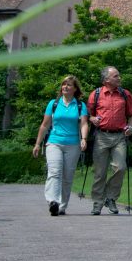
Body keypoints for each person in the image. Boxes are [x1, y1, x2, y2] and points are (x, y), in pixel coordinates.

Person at [33, 74, 89, 216]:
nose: (65, 87)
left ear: (75, 89)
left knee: (68, 176)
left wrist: (84, 138)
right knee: (54, 171)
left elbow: (83, 123)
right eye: (64, 84)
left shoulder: (80, 105)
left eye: (69, 85)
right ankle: (53, 202)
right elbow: (45, 125)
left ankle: (62, 206)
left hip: (73, 145)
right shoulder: (53, 103)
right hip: (54, 142)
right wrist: (38, 144)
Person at [86, 65, 132, 215]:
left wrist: (130, 127)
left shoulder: (125, 94)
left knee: (120, 168)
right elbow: (86, 114)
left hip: (119, 137)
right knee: (100, 172)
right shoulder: (95, 94)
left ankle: (111, 198)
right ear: (106, 79)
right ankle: (97, 203)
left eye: (119, 75)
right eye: (116, 76)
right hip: (101, 136)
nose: (119, 78)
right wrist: (92, 118)